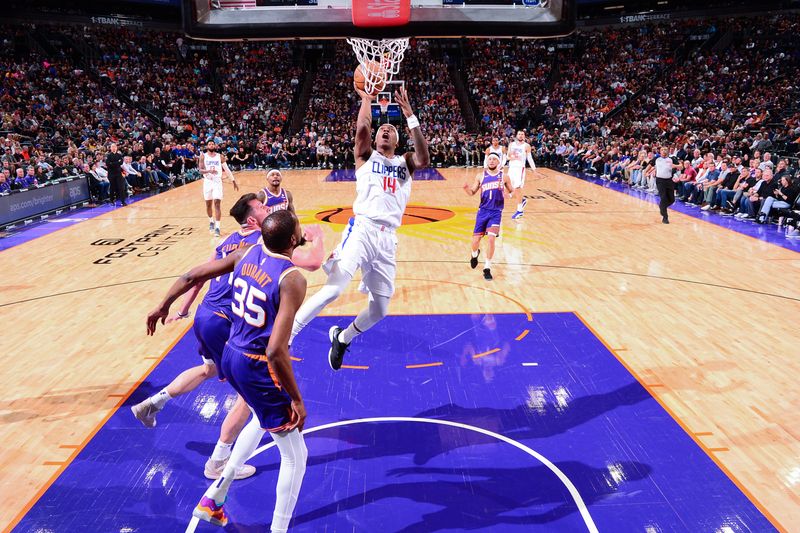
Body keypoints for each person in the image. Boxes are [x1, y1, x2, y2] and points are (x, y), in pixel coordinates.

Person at [146, 210, 309, 530]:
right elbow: (276, 350)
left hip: (231, 355)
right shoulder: (292, 279)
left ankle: (215, 497)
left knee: (261, 418)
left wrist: (164, 304)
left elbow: (193, 275)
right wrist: (297, 399)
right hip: (256, 364)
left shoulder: (246, 252)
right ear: (292, 240)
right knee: (295, 455)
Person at [289, 85, 429, 371]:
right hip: (362, 230)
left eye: (391, 129)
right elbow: (363, 128)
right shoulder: (365, 157)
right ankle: (287, 335)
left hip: (388, 239)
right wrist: (366, 99)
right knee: (334, 289)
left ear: (398, 139)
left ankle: (342, 338)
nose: (385, 131)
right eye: (382, 130)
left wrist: (410, 115)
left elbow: (424, 157)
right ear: (376, 139)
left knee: (379, 309)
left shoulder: (405, 163)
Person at [132, 194, 269, 480]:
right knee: (250, 392)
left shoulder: (226, 241)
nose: (268, 208)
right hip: (223, 322)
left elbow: (199, 277)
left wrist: (183, 311)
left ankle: (153, 403)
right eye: (262, 206)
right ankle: (218, 461)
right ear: (252, 219)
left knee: (209, 369)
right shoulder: (261, 241)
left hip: (205, 315)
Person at [464, 152, 513, 281]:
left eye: (494, 159)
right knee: (475, 241)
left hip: (496, 212)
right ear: (487, 161)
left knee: (491, 239)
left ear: (498, 162)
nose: (491, 161)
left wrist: (509, 195)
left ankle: (487, 268)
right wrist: (466, 189)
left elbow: (512, 190)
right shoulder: (481, 176)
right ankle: (475, 254)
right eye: (489, 159)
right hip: (483, 211)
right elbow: (472, 192)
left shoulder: (504, 176)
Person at [200, 140, 239, 237]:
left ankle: (217, 227)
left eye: (212, 144)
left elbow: (227, 169)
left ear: (215, 146)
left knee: (217, 203)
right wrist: (209, 170)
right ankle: (211, 221)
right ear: (207, 146)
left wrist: (233, 181)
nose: (211, 145)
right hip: (207, 182)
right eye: (209, 144)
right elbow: (200, 170)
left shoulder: (220, 156)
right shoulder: (203, 156)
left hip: (217, 182)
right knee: (208, 205)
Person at [506, 130, 538, 220]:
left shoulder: (527, 146)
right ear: (516, 135)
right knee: (508, 188)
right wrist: (511, 157)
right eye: (519, 134)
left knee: (518, 188)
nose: (520, 136)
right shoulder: (511, 144)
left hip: (520, 169)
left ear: (524, 136)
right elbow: (507, 156)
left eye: (522, 134)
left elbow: (530, 158)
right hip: (511, 168)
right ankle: (522, 200)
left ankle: (519, 211)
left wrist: (534, 170)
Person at [654, 147, 680, 224]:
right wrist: (646, 171)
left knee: (672, 199)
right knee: (664, 198)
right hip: (660, 180)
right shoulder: (657, 159)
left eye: (665, 150)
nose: (664, 151)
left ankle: (662, 207)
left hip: (669, 180)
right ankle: (665, 217)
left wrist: (675, 166)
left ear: (668, 151)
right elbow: (650, 165)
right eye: (662, 150)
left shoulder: (672, 159)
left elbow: (681, 166)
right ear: (660, 152)